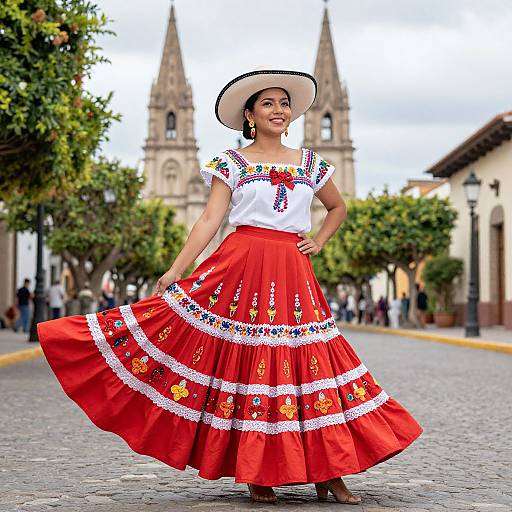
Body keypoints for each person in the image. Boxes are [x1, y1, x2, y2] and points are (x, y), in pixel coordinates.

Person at [37, 68, 422, 505]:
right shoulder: (230, 163)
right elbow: (209, 220)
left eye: (284, 104)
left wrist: (319, 239)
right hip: (240, 268)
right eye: (268, 104)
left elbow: (337, 206)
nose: (279, 110)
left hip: (292, 271)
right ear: (250, 115)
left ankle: (329, 470)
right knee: (252, 364)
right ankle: (259, 471)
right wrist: (176, 269)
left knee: (312, 363)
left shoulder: (312, 162)